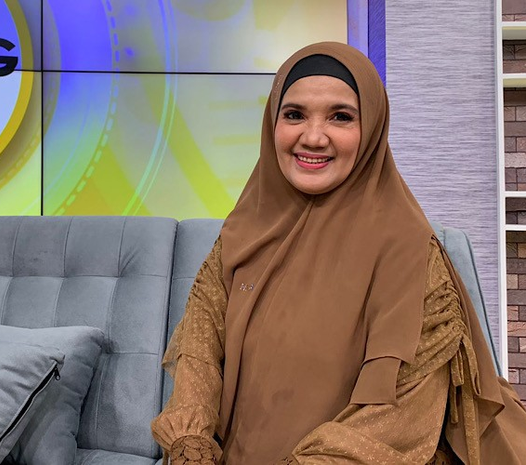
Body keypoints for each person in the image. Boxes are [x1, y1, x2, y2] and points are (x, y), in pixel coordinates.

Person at [151, 42, 526, 464]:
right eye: (294, 115)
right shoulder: (243, 234)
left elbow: (399, 415)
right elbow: (199, 353)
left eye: (341, 117)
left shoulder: (408, 250)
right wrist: (191, 443)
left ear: (372, 130)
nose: (313, 137)